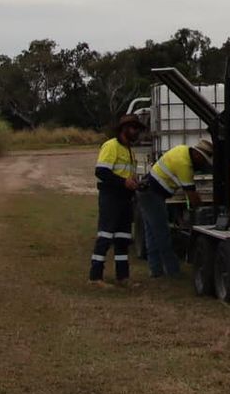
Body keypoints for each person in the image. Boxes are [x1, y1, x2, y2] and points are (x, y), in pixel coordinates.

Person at [135, 137, 210, 278]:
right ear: (197, 154)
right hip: (153, 195)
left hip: (147, 192)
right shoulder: (184, 164)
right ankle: (172, 270)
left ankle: (155, 270)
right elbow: (192, 195)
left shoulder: (182, 149)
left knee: (152, 233)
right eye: (203, 160)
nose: (202, 164)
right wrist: (203, 210)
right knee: (162, 233)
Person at [88, 114, 143, 287]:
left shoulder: (129, 150)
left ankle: (123, 277)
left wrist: (134, 183)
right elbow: (101, 172)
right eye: (133, 128)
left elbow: (126, 174)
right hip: (111, 198)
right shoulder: (111, 146)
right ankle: (95, 277)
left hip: (125, 199)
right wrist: (123, 182)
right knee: (105, 237)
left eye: (137, 129)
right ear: (124, 129)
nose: (136, 132)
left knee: (123, 239)